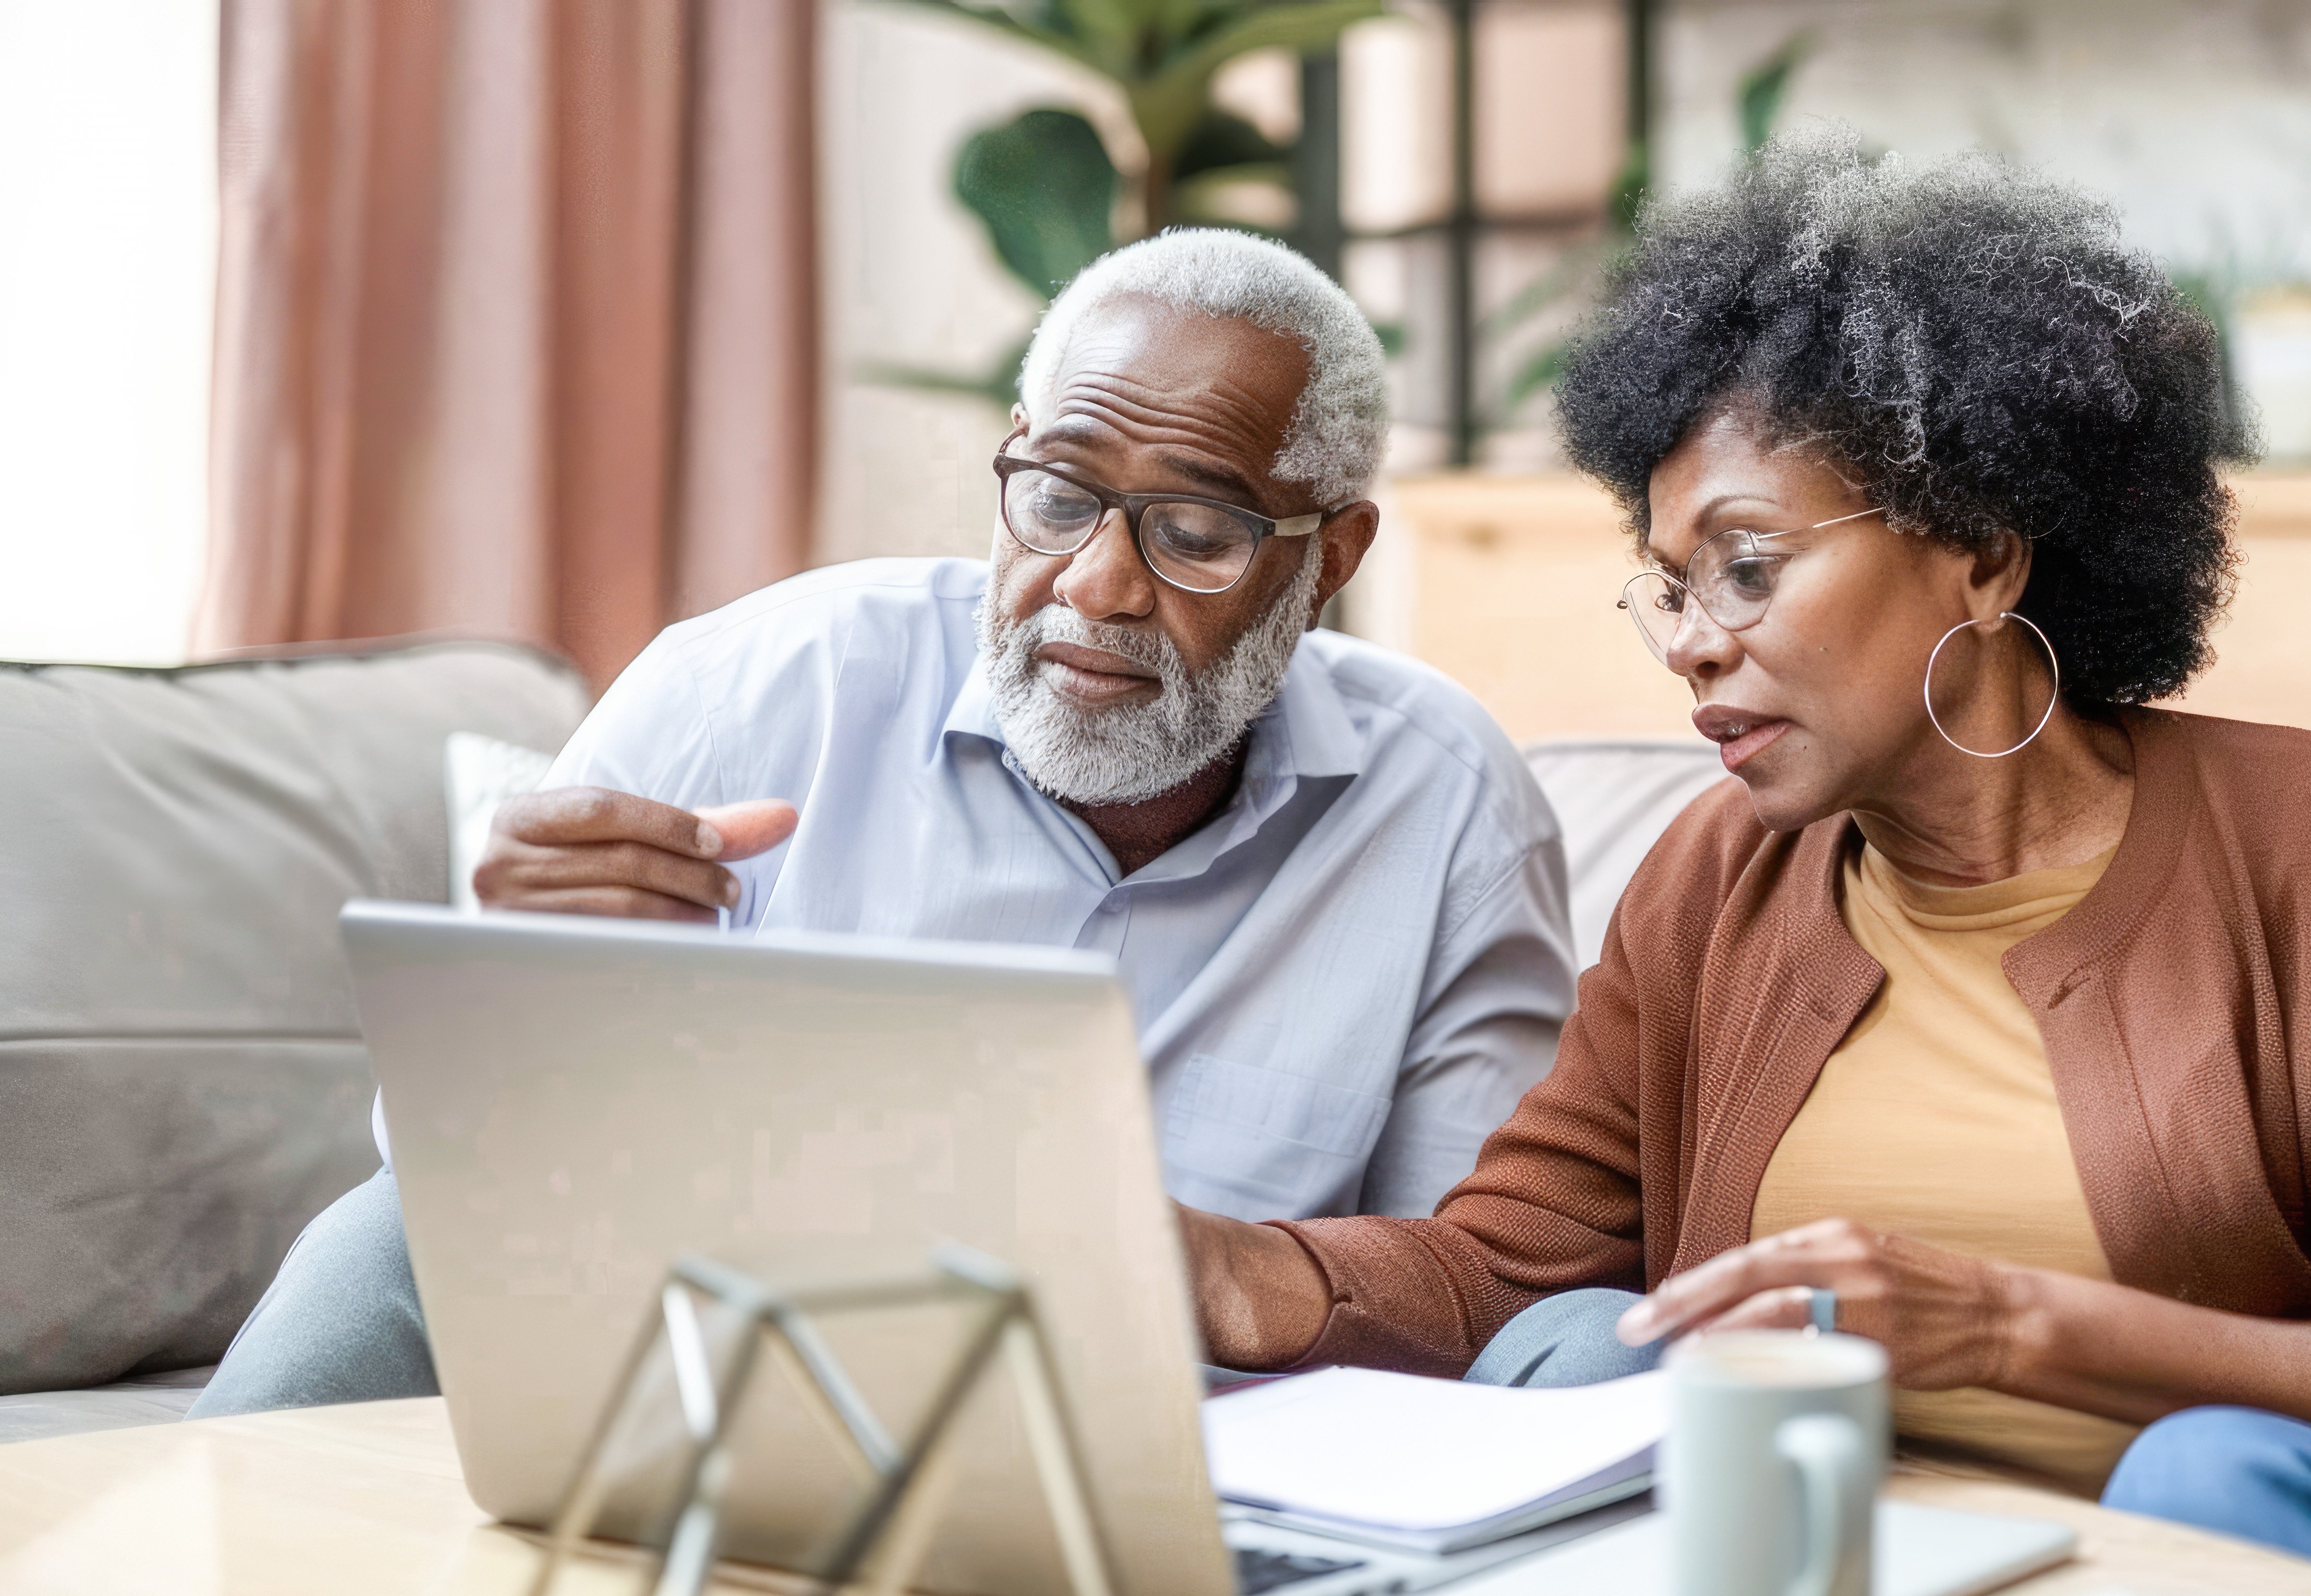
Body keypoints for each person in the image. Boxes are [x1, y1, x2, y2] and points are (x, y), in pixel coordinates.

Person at [1174, 146, 2311, 1596]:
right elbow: (1507, 1271)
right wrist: (1230, 1269)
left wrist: (2010, 1327)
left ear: (1986, 559)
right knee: (1582, 1358)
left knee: (2210, 1476)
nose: (1688, 642)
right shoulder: (1713, 880)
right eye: (1668, 583)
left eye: (1748, 563)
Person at [190, 229, 1577, 1419]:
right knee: (385, 1238)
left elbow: (1467, 1281)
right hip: (712, 1383)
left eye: (1196, 531)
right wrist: (506, 988)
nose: (1093, 585)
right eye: (1057, 494)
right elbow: (452, 1176)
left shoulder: (1446, 806)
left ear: (1327, 557)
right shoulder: (751, 688)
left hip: (1185, 1458)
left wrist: (1225, 1275)